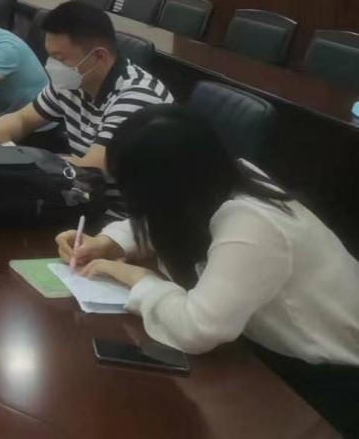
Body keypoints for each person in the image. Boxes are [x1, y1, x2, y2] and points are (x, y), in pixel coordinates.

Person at [59, 105, 359, 435]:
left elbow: (197, 329)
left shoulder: (253, 224)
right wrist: (107, 242)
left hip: (329, 382)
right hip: (266, 351)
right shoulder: (218, 180)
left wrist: (136, 277)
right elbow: (167, 221)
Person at [0, 1, 173, 212]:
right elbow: (21, 120)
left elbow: (89, 169)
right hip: (87, 197)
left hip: (126, 216)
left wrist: (17, 158)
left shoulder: (137, 97)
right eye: (50, 56)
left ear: (99, 56)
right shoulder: (74, 81)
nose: (52, 66)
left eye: (60, 58)